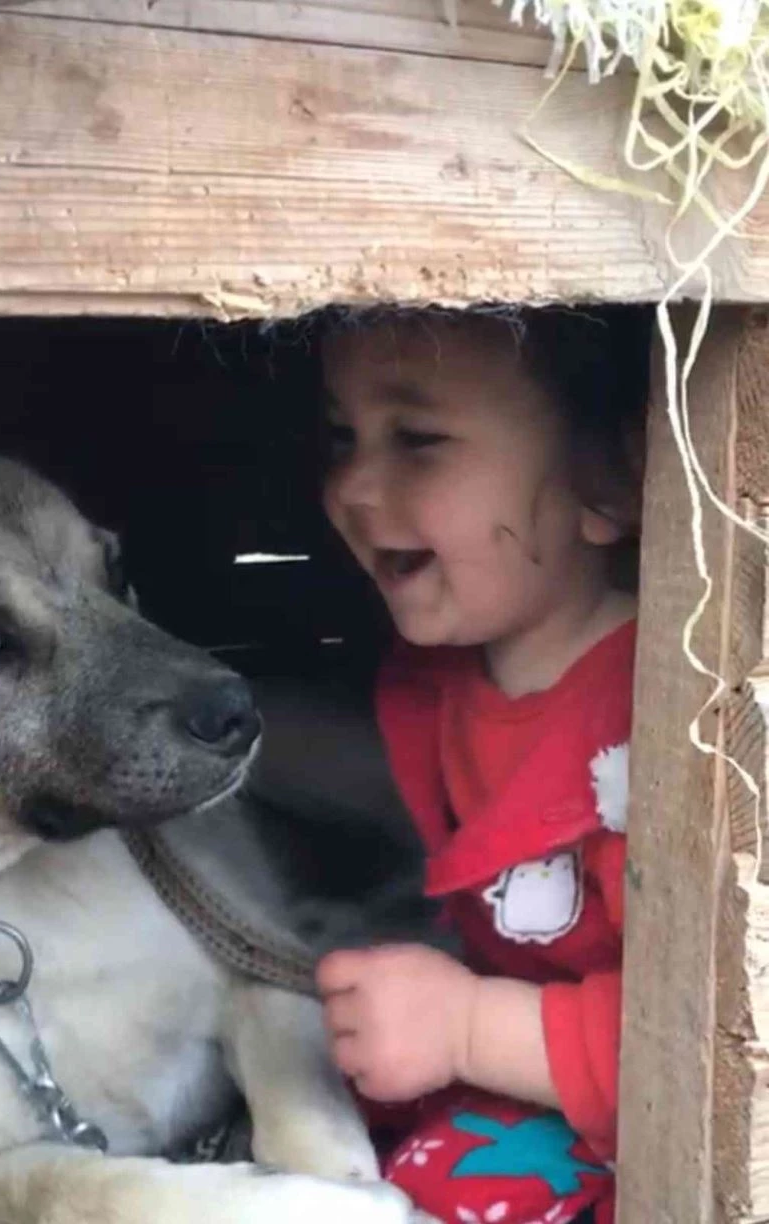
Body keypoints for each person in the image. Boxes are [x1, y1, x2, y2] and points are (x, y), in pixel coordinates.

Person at [314, 306, 651, 1224]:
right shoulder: (442, 682)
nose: (353, 480)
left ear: (612, 482)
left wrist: (465, 1027)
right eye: (343, 434)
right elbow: (333, 764)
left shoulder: (669, 720)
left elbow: (710, 1047)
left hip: (646, 1125)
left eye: (417, 438)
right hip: (533, 1087)